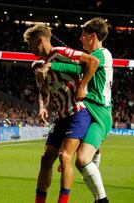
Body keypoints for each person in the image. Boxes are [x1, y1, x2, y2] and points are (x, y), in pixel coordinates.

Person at [23, 24, 99, 203]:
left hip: (78, 112)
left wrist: (81, 86)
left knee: (65, 156)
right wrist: (43, 107)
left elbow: (92, 62)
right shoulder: (36, 66)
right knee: (46, 158)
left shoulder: (62, 53)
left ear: (40, 41)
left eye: (30, 44)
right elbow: (44, 91)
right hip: (61, 117)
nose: (29, 48)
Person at [43, 17, 113, 203]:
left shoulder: (102, 54)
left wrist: (52, 65)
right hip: (87, 111)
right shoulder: (95, 55)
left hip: (99, 113)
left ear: (93, 36)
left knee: (82, 159)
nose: (81, 39)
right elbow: (77, 66)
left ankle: (102, 200)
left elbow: (78, 66)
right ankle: (98, 198)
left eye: (83, 35)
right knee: (78, 161)